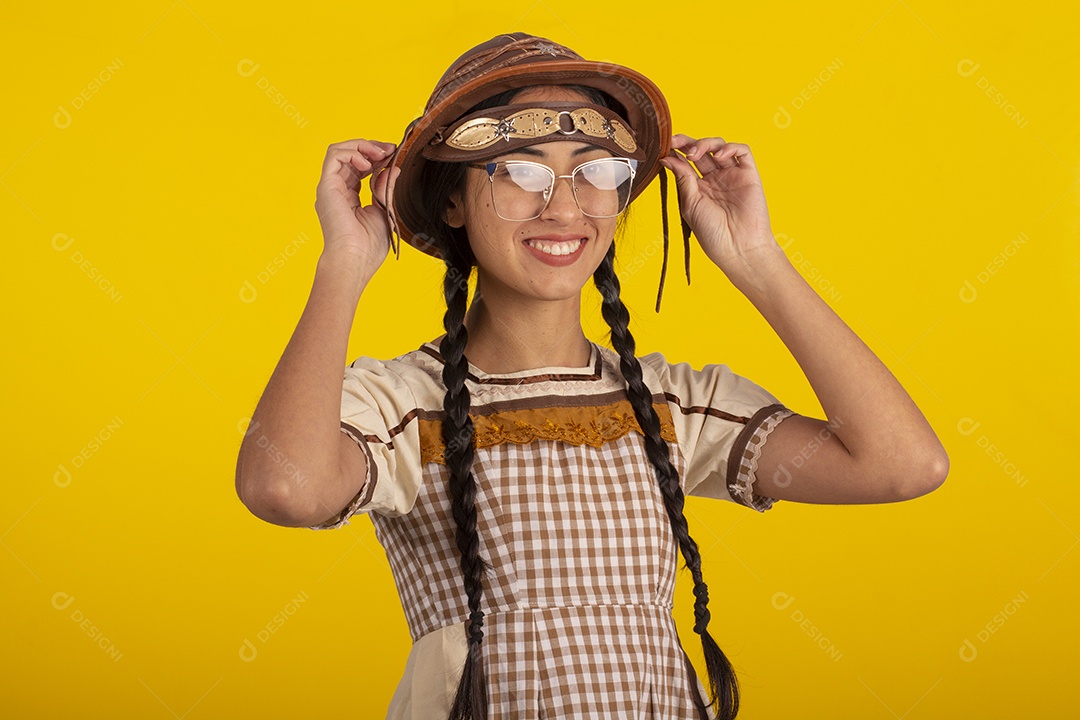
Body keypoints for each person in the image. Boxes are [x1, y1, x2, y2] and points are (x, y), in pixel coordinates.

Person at [234, 32, 949, 720]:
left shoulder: (670, 404)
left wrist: (756, 258)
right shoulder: (404, 403)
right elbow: (285, 488)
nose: (564, 207)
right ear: (451, 200)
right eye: (520, 171)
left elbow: (903, 465)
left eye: (595, 172)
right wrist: (343, 267)